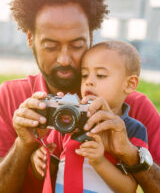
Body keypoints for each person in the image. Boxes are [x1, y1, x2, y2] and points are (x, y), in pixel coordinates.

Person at [0, 0, 160, 192]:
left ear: (91, 35)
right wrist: (23, 146)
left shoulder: (132, 106)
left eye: (77, 44)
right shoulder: (11, 97)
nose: (64, 59)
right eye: (50, 46)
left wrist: (129, 153)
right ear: (30, 38)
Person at [32, 41, 149, 193]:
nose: (89, 82)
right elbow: (45, 172)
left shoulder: (133, 130)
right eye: (84, 75)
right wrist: (39, 160)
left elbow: (129, 188)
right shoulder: (68, 118)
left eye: (100, 75)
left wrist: (100, 162)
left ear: (129, 84)